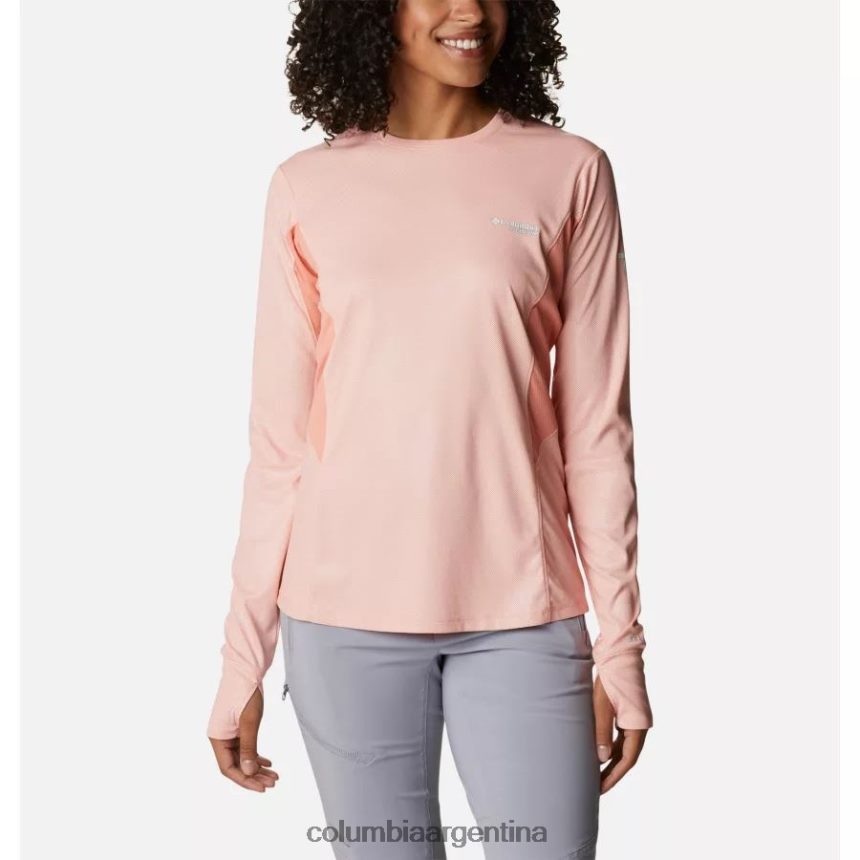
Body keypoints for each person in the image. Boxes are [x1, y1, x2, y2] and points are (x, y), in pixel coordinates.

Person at [207, 1, 654, 857]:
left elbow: (598, 432)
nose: (469, 10)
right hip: (341, 621)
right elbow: (279, 447)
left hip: (524, 611)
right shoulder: (307, 186)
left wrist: (622, 647)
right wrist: (242, 661)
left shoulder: (569, 172)